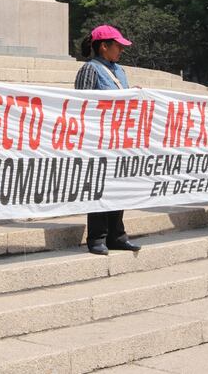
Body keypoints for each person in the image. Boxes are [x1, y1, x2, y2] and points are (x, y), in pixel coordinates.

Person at [75, 25, 142, 255]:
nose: (121, 50)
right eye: (118, 46)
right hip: (98, 139)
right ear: (104, 47)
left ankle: (117, 234)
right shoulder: (90, 70)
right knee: (99, 188)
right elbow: (82, 104)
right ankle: (97, 237)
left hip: (119, 138)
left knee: (118, 187)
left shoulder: (119, 71)